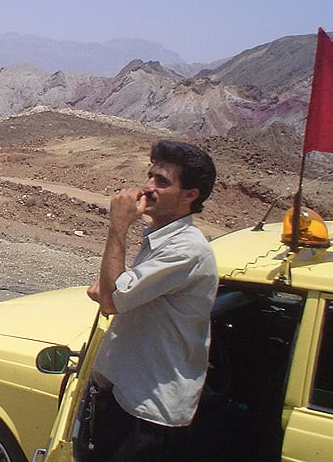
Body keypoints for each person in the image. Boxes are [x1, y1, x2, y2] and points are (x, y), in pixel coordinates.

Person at [85, 140, 218, 461]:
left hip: (149, 409)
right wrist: (111, 289)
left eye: (162, 181)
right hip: (128, 393)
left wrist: (118, 225)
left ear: (190, 196)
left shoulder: (186, 249)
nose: (148, 188)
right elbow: (107, 290)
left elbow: (110, 300)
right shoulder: (163, 238)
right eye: (150, 177)